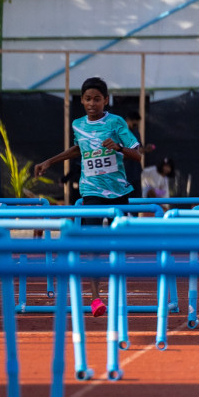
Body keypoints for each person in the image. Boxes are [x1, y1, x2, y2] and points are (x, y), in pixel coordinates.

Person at [37, 78, 146, 315]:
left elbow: (137, 155)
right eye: (88, 99)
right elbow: (79, 148)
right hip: (91, 191)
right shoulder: (78, 125)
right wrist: (50, 161)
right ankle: (96, 298)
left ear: (105, 100)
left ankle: (117, 290)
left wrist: (118, 147)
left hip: (118, 192)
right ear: (82, 100)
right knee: (93, 246)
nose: (92, 103)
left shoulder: (116, 122)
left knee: (119, 246)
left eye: (97, 99)